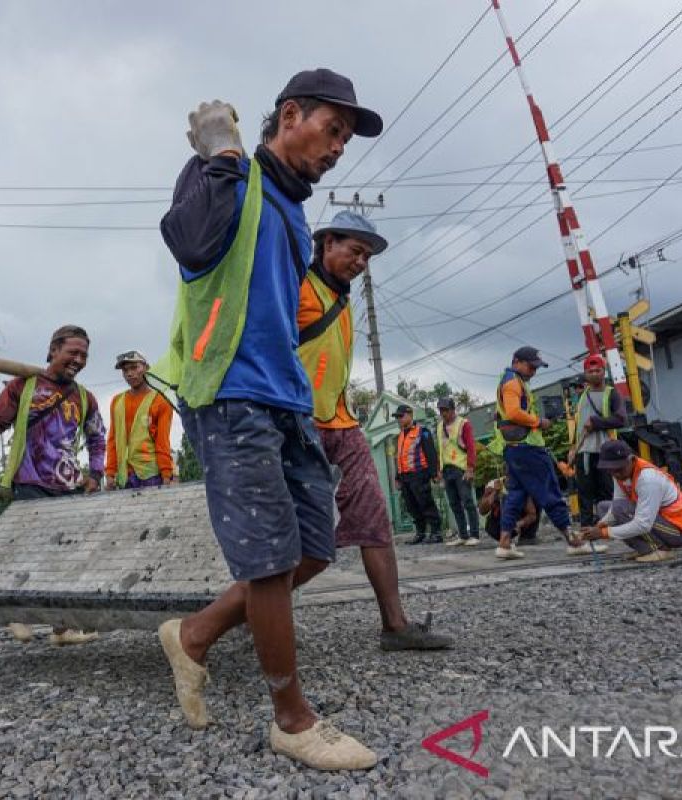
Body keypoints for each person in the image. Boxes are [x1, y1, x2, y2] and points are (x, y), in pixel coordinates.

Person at [156, 69, 383, 770]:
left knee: (316, 545)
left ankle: (193, 635)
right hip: (227, 390)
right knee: (270, 558)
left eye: (346, 137)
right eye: (333, 130)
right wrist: (220, 156)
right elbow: (191, 243)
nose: (340, 147)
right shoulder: (224, 173)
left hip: (286, 399)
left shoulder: (290, 211)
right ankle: (293, 718)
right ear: (291, 115)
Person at [297, 210, 453, 651]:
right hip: (298, 423)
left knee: (374, 517)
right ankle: (252, 607)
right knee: (305, 538)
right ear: (328, 244)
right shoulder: (297, 287)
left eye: (367, 255)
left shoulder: (342, 302)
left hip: (342, 425)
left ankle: (395, 624)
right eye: (355, 251)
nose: (362, 262)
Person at [0, 324, 105, 647]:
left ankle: (62, 628)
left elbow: (97, 437)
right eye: (72, 352)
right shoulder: (23, 386)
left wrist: (95, 475)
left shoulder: (85, 398)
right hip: (29, 480)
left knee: (65, 557)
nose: (78, 360)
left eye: (84, 355)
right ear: (53, 350)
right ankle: (18, 612)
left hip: (68, 486)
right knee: (28, 551)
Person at [494, 346, 597, 559]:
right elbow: (513, 412)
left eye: (536, 367)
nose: (534, 371)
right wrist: (538, 421)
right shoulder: (513, 382)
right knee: (550, 490)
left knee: (516, 494)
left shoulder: (508, 379)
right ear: (517, 361)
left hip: (513, 448)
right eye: (531, 366)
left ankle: (504, 544)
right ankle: (573, 541)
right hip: (528, 446)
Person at [581, 439, 682, 562]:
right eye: (611, 470)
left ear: (631, 459)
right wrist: (598, 527)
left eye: (619, 468)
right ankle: (645, 549)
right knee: (604, 507)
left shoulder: (648, 479)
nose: (616, 474)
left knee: (621, 509)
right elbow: (616, 506)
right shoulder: (619, 475)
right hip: (658, 523)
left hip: (679, 532)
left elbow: (643, 524)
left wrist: (603, 533)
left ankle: (661, 550)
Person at [567, 354, 627, 527]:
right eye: (590, 371)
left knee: (606, 492)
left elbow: (621, 419)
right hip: (584, 452)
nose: (594, 374)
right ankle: (586, 529)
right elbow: (579, 425)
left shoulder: (612, 394)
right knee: (584, 493)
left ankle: (610, 527)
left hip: (605, 452)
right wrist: (573, 449)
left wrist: (596, 422)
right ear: (585, 373)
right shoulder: (583, 395)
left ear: (604, 372)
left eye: (597, 370)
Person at [104, 350, 175, 490]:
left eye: (134, 367)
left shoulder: (160, 401)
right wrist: (110, 472)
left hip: (151, 475)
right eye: (125, 370)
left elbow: (163, 441)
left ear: (146, 368)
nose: (130, 374)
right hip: (124, 476)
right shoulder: (117, 402)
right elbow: (113, 439)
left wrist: (166, 474)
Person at [393, 404, 444, 544]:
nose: (399, 419)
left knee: (426, 503)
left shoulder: (423, 432)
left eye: (401, 416)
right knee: (411, 506)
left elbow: (431, 453)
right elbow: (399, 457)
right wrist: (397, 477)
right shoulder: (401, 435)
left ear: (410, 415)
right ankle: (420, 532)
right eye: (398, 417)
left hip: (419, 474)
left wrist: (434, 473)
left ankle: (436, 532)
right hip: (405, 477)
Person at [436, 397, 480, 546]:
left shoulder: (463, 424)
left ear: (453, 410)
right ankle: (463, 535)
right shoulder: (439, 426)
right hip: (447, 470)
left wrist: (470, 468)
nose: (443, 413)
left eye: (446, 410)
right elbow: (441, 449)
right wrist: (439, 469)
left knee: (468, 501)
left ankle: (474, 534)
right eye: (441, 411)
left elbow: (471, 447)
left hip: (461, 468)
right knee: (454, 504)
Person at [479, 474, 540, 544]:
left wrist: (519, 524)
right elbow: (482, 511)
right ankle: (504, 537)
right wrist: (494, 493)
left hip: (515, 524)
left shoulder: (522, 486)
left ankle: (527, 536)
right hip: (495, 526)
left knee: (536, 497)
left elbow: (532, 515)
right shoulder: (493, 485)